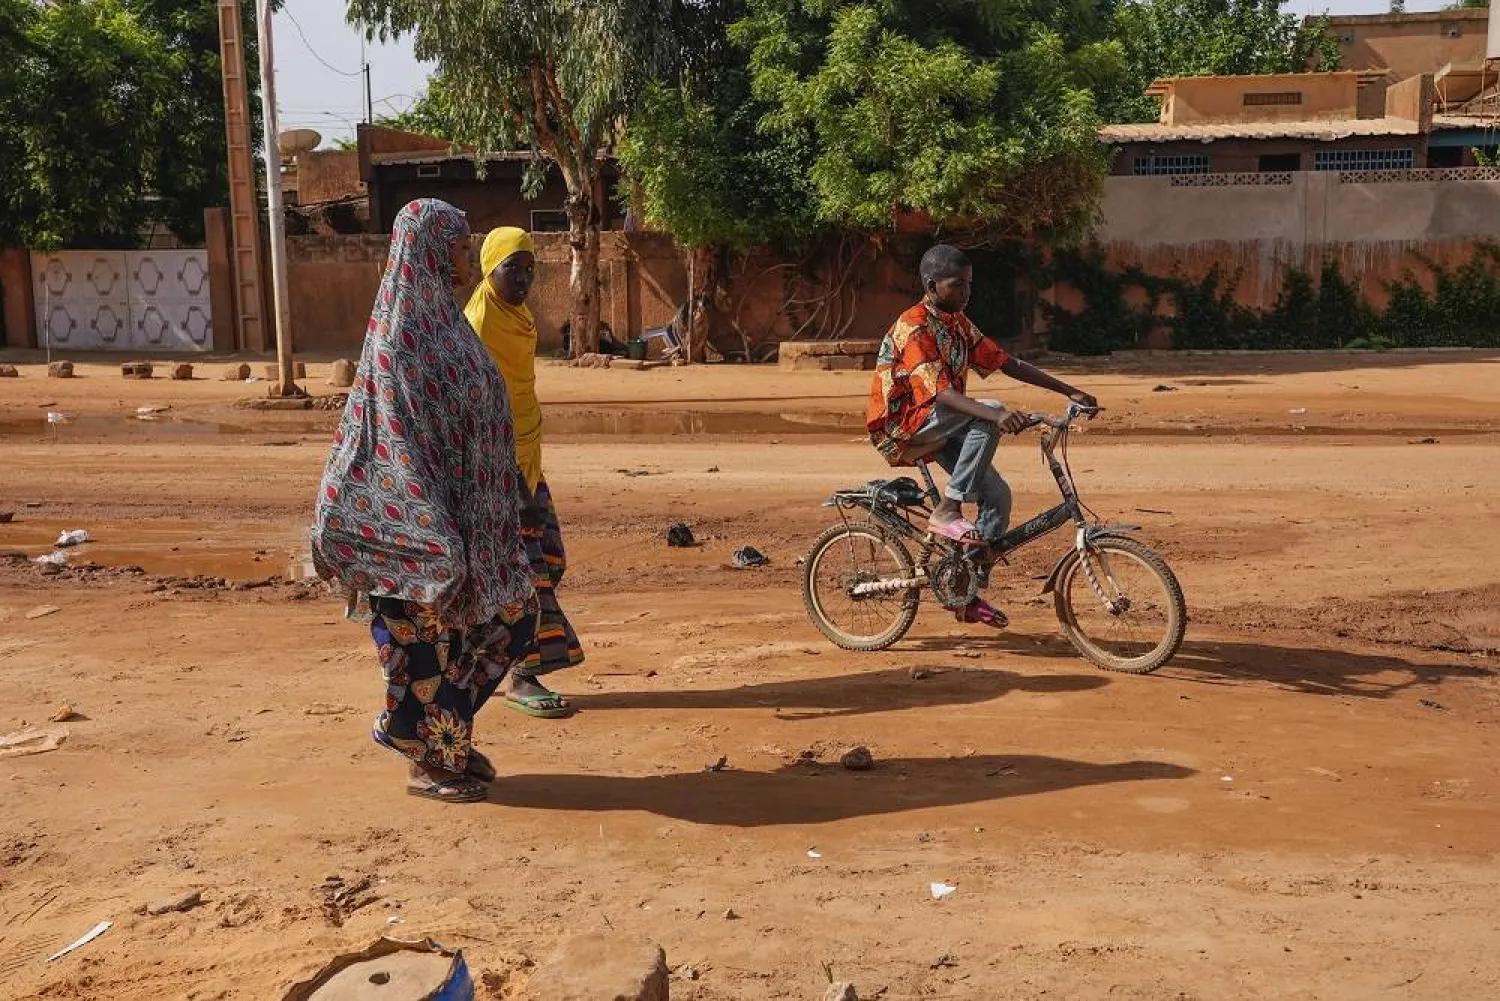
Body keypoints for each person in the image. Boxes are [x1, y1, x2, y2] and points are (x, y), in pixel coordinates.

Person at [311, 199, 540, 804]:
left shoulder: (444, 320)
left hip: (473, 527)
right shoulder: (401, 338)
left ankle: (443, 738)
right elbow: (396, 446)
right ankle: (430, 759)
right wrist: (435, 533)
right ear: (432, 252)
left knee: (510, 623)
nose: (468, 258)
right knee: (428, 654)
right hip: (415, 536)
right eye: (461, 248)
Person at [866, 243, 1098, 629]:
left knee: (998, 497)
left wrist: (1067, 390)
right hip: (903, 426)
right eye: (958, 286)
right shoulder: (914, 326)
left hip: (942, 421)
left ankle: (965, 592)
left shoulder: (957, 322)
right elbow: (940, 393)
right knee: (988, 411)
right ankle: (947, 510)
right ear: (932, 285)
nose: (967, 293)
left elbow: (1006, 361)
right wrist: (997, 413)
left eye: (970, 285)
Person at [466, 227, 585, 719]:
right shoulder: (478, 323)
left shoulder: (519, 320)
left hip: (526, 463)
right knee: (527, 572)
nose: (523, 279)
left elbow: (521, 393)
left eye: (530, 269)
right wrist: (502, 469)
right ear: (488, 269)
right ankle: (522, 674)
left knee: (548, 558)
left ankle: (488, 665)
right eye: (511, 268)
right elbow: (476, 405)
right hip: (497, 471)